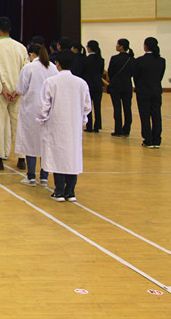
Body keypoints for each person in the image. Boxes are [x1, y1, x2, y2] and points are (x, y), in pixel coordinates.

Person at [36, 50, 92, 202]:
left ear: (58, 64)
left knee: (57, 156)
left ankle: (59, 190)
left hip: (55, 124)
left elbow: (43, 105)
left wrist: (42, 118)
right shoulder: (81, 83)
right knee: (71, 156)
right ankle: (70, 191)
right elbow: (87, 106)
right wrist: (82, 119)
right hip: (73, 125)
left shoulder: (51, 82)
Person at [0, 17, 29, 170]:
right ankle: (22, 158)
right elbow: (26, 70)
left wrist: (1, 89)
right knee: (18, 125)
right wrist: (19, 89)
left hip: (0, 93)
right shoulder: (20, 47)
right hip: (17, 93)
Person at [15, 44, 58, 186]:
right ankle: (44, 177)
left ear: (32, 54)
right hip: (49, 109)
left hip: (31, 110)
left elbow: (21, 89)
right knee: (45, 143)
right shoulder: (53, 68)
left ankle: (31, 176)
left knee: (30, 142)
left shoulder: (29, 67)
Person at [134, 37, 166, 148]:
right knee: (156, 115)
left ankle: (148, 140)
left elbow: (136, 77)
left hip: (143, 91)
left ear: (145, 46)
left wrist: (139, 87)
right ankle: (157, 140)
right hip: (156, 91)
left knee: (145, 116)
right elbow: (160, 76)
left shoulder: (139, 61)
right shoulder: (161, 60)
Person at [107, 38, 135, 137]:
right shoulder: (131, 59)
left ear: (121, 46)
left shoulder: (114, 58)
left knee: (117, 108)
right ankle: (127, 129)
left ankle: (118, 129)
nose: (116, 46)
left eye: (117, 44)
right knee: (127, 108)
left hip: (116, 86)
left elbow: (110, 72)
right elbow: (133, 73)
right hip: (127, 85)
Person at [82, 40, 105, 133]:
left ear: (89, 48)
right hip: (98, 84)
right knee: (97, 106)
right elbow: (101, 72)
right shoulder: (101, 60)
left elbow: (83, 72)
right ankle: (97, 125)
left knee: (89, 106)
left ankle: (89, 125)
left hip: (89, 85)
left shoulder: (86, 60)